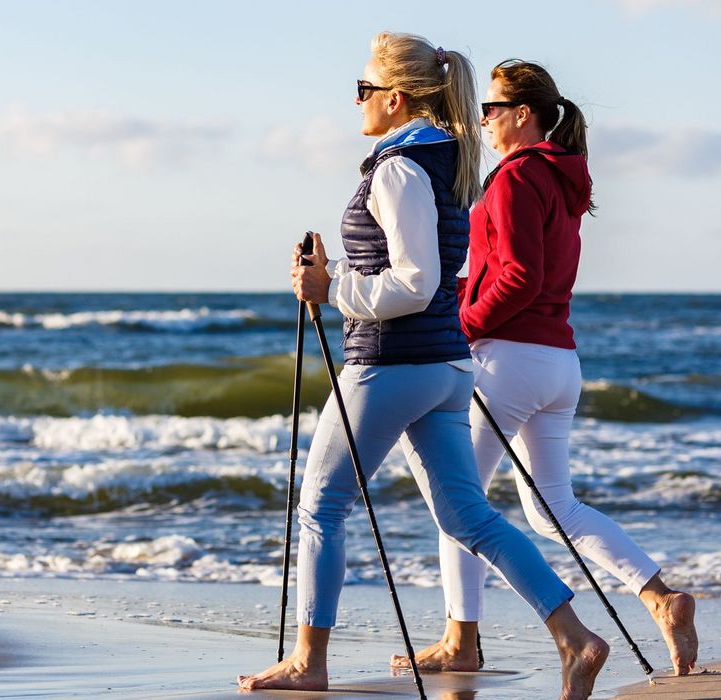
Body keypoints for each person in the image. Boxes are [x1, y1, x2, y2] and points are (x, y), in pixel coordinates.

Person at [237, 34, 608, 699]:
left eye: (362, 90)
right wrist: (340, 274)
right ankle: (575, 638)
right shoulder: (447, 161)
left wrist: (333, 291)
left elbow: (413, 281)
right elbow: (422, 273)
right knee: (468, 517)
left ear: (395, 97)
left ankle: (307, 662)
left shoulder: (400, 168)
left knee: (321, 503)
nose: (356, 102)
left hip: (391, 363)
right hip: (445, 365)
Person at [394, 59, 699, 677]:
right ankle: (660, 598)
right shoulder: (562, 177)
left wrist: (463, 324)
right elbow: (514, 269)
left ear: (522, 114)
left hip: (507, 360)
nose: (481, 120)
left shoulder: (513, 178)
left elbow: (518, 276)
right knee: (551, 505)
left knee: (459, 503)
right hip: (558, 361)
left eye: (490, 109)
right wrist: (454, 292)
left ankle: (461, 642)